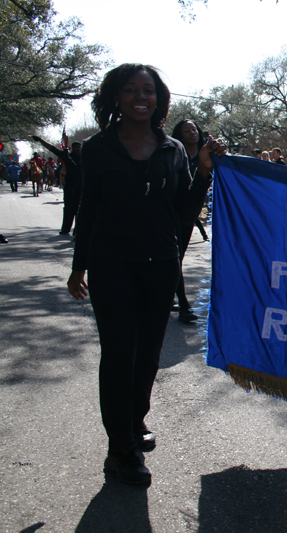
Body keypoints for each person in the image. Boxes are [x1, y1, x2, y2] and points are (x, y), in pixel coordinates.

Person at [67, 63, 226, 486]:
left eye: (149, 90)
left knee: (149, 355)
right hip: (111, 262)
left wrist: (206, 172)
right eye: (131, 89)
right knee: (120, 354)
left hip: (160, 262)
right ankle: (120, 450)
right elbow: (88, 210)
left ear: (159, 98)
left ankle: (133, 423)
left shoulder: (173, 149)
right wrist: (78, 265)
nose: (141, 96)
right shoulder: (98, 148)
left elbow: (183, 211)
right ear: (116, 96)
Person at [170, 119, 210, 323]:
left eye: (194, 129)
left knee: (177, 258)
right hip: (174, 212)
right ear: (180, 134)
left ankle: (168, 294)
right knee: (175, 258)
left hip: (192, 213)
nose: (192, 132)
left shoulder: (207, 154)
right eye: (187, 130)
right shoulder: (175, 153)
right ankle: (184, 305)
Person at [31, 136, 83, 235]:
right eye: (76, 147)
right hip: (69, 185)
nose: (78, 149)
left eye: (79, 147)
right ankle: (65, 229)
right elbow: (53, 149)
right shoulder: (67, 156)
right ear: (72, 148)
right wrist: (41, 140)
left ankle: (78, 230)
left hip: (81, 186)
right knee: (68, 207)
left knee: (79, 209)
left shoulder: (85, 156)